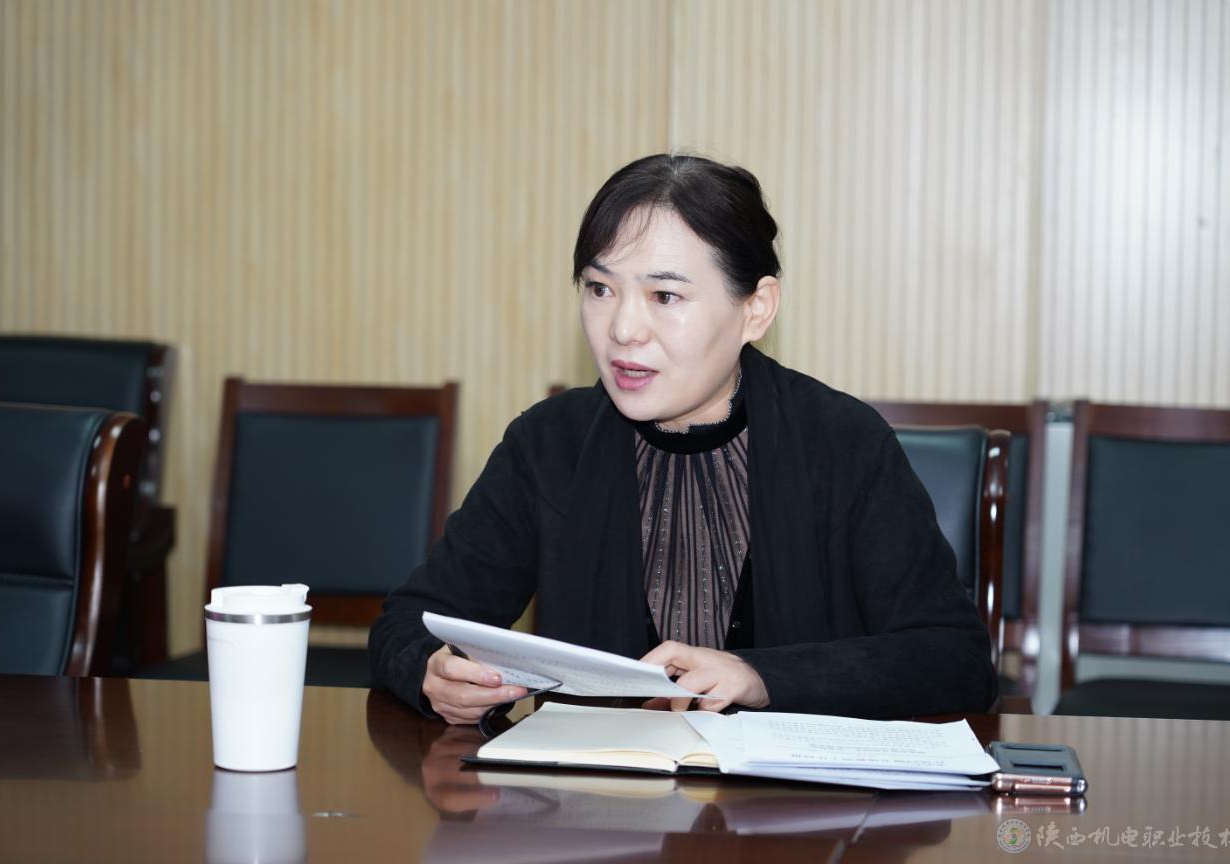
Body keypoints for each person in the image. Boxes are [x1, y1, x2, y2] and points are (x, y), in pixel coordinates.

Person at [370, 153, 997, 725]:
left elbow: (954, 659)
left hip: (795, 804)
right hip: (596, 801)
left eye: (665, 295)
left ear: (756, 308)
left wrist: (761, 677)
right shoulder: (549, 444)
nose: (623, 328)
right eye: (600, 289)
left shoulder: (842, 444)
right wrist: (430, 671)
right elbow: (407, 622)